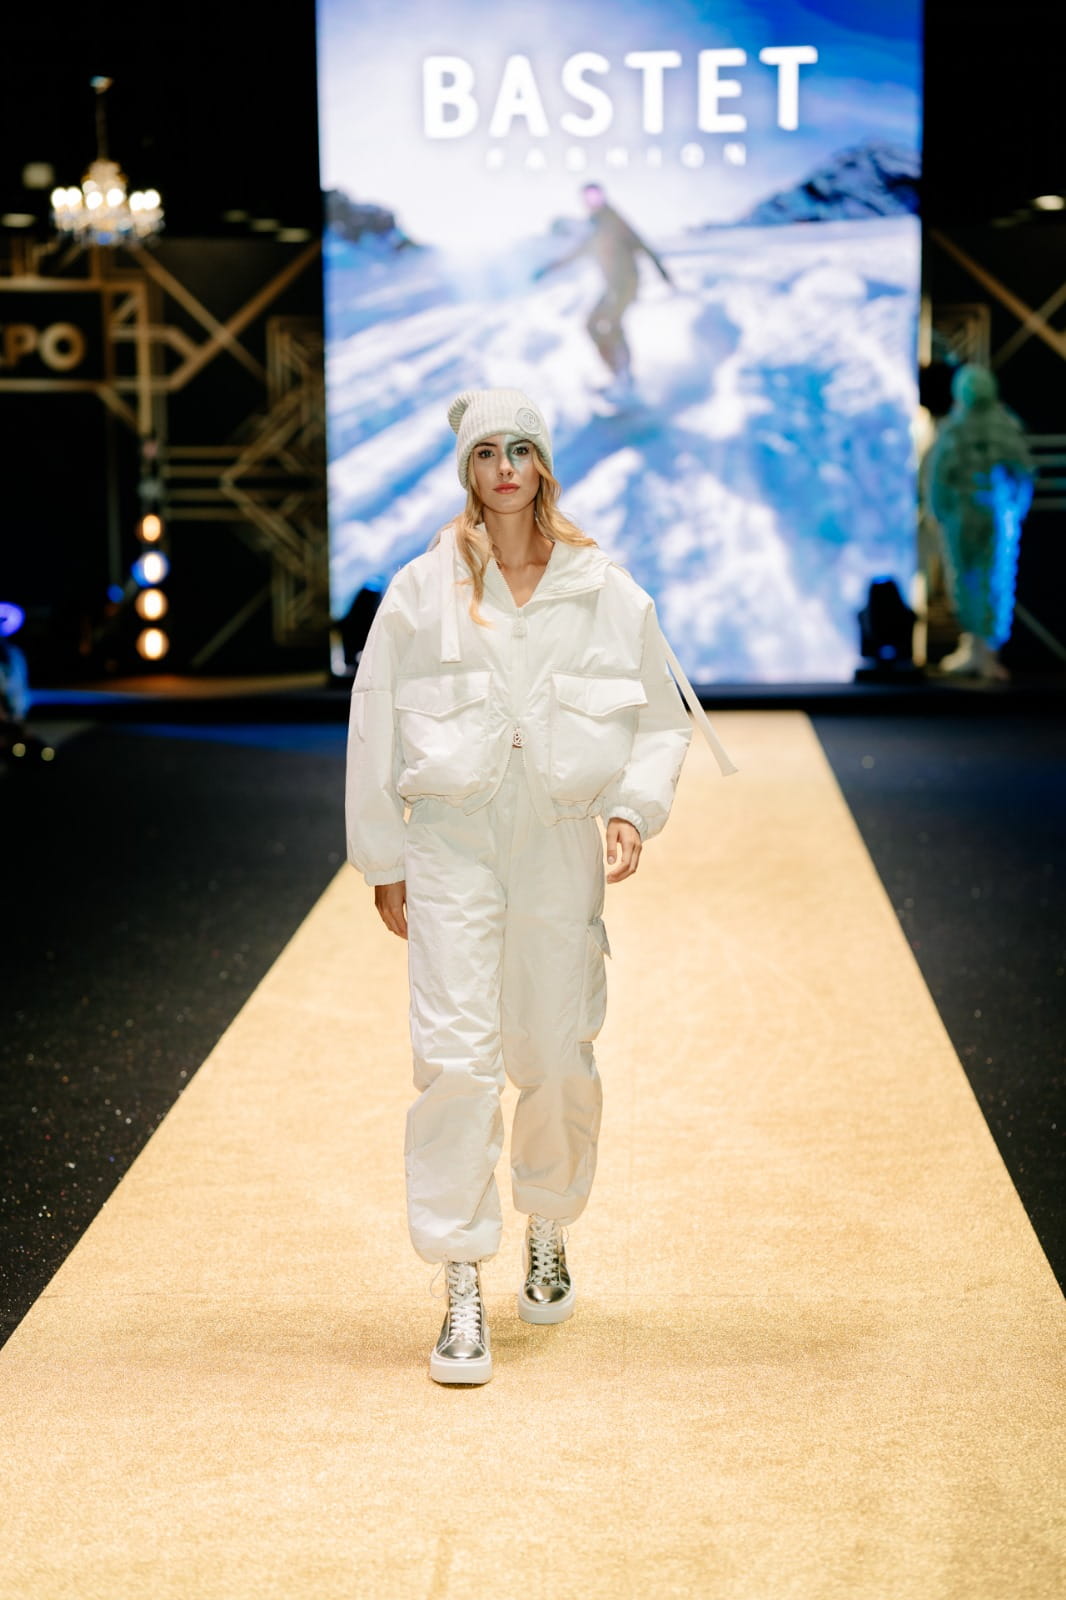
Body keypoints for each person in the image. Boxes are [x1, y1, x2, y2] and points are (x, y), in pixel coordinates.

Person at [344, 387, 731, 1385]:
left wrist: (632, 806)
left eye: (520, 449)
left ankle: (547, 1220)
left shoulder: (603, 587)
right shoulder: (421, 589)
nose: (505, 468)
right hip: (452, 841)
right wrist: (383, 856)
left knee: (557, 1048)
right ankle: (460, 1280)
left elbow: (660, 716)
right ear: (467, 469)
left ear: (543, 463)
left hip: (558, 838)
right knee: (456, 1058)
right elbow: (374, 719)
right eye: (487, 452)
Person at [925, 364, 1034, 680]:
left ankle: (984, 650)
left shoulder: (955, 429)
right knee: (982, 580)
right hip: (989, 515)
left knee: (982, 580)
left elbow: (938, 478)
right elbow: (1023, 474)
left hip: (978, 516)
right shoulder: (1001, 427)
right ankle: (979, 648)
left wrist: (939, 511)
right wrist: (1015, 507)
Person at [534, 184, 673, 400]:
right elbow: (578, 252)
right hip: (612, 286)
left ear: (603, 197)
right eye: (588, 197)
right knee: (591, 325)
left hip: (626, 283)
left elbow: (642, 245)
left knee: (612, 324)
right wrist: (550, 268)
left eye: (596, 196)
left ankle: (625, 377)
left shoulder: (615, 219)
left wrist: (664, 274)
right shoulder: (593, 226)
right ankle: (616, 374)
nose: (593, 201)